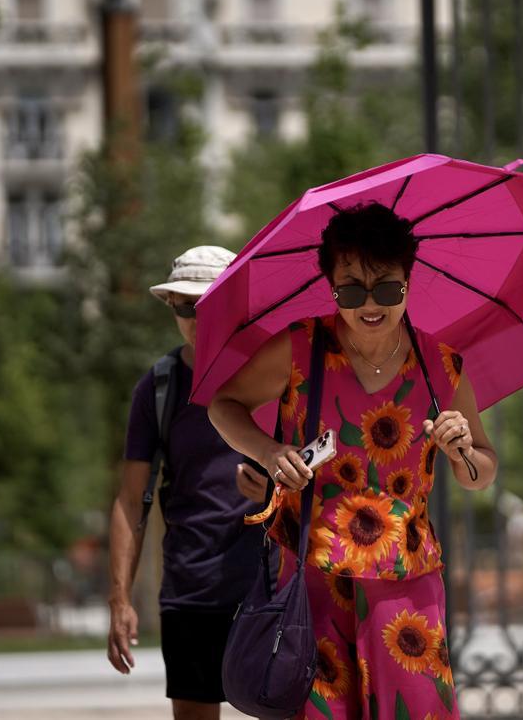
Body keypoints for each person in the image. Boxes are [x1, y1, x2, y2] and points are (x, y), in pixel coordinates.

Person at [209, 202, 498, 719]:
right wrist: (270, 452)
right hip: (313, 583)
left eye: (387, 288)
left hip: (408, 586)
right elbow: (223, 407)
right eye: (351, 290)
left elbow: (481, 473)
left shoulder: (442, 364)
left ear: (408, 281)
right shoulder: (300, 348)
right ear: (331, 286)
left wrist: (464, 453)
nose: (371, 304)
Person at [107, 245, 265, 720]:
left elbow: (321, 467)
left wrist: (276, 486)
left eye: (211, 302)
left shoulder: (276, 374)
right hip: (191, 587)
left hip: (269, 585)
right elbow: (130, 500)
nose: (198, 317)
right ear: (171, 307)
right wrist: (119, 600)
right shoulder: (158, 387)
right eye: (185, 306)